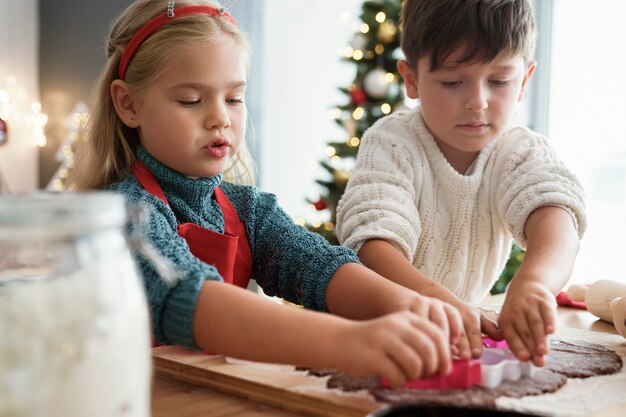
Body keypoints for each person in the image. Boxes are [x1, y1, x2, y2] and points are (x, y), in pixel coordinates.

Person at [68, 0, 464, 386]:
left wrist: (409, 303)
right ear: (128, 104)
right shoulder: (123, 214)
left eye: (234, 98)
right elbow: (190, 300)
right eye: (191, 100)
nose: (220, 117)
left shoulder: (250, 211)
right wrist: (347, 341)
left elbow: (318, 266)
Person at [336, 0, 586, 367]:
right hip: (379, 326)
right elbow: (371, 241)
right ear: (411, 80)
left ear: (524, 81)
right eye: (452, 82)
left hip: (457, 332)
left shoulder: (518, 149)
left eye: (499, 81)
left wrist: (535, 283)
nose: (478, 102)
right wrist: (428, 298)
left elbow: (557, 214)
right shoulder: (392, 142)